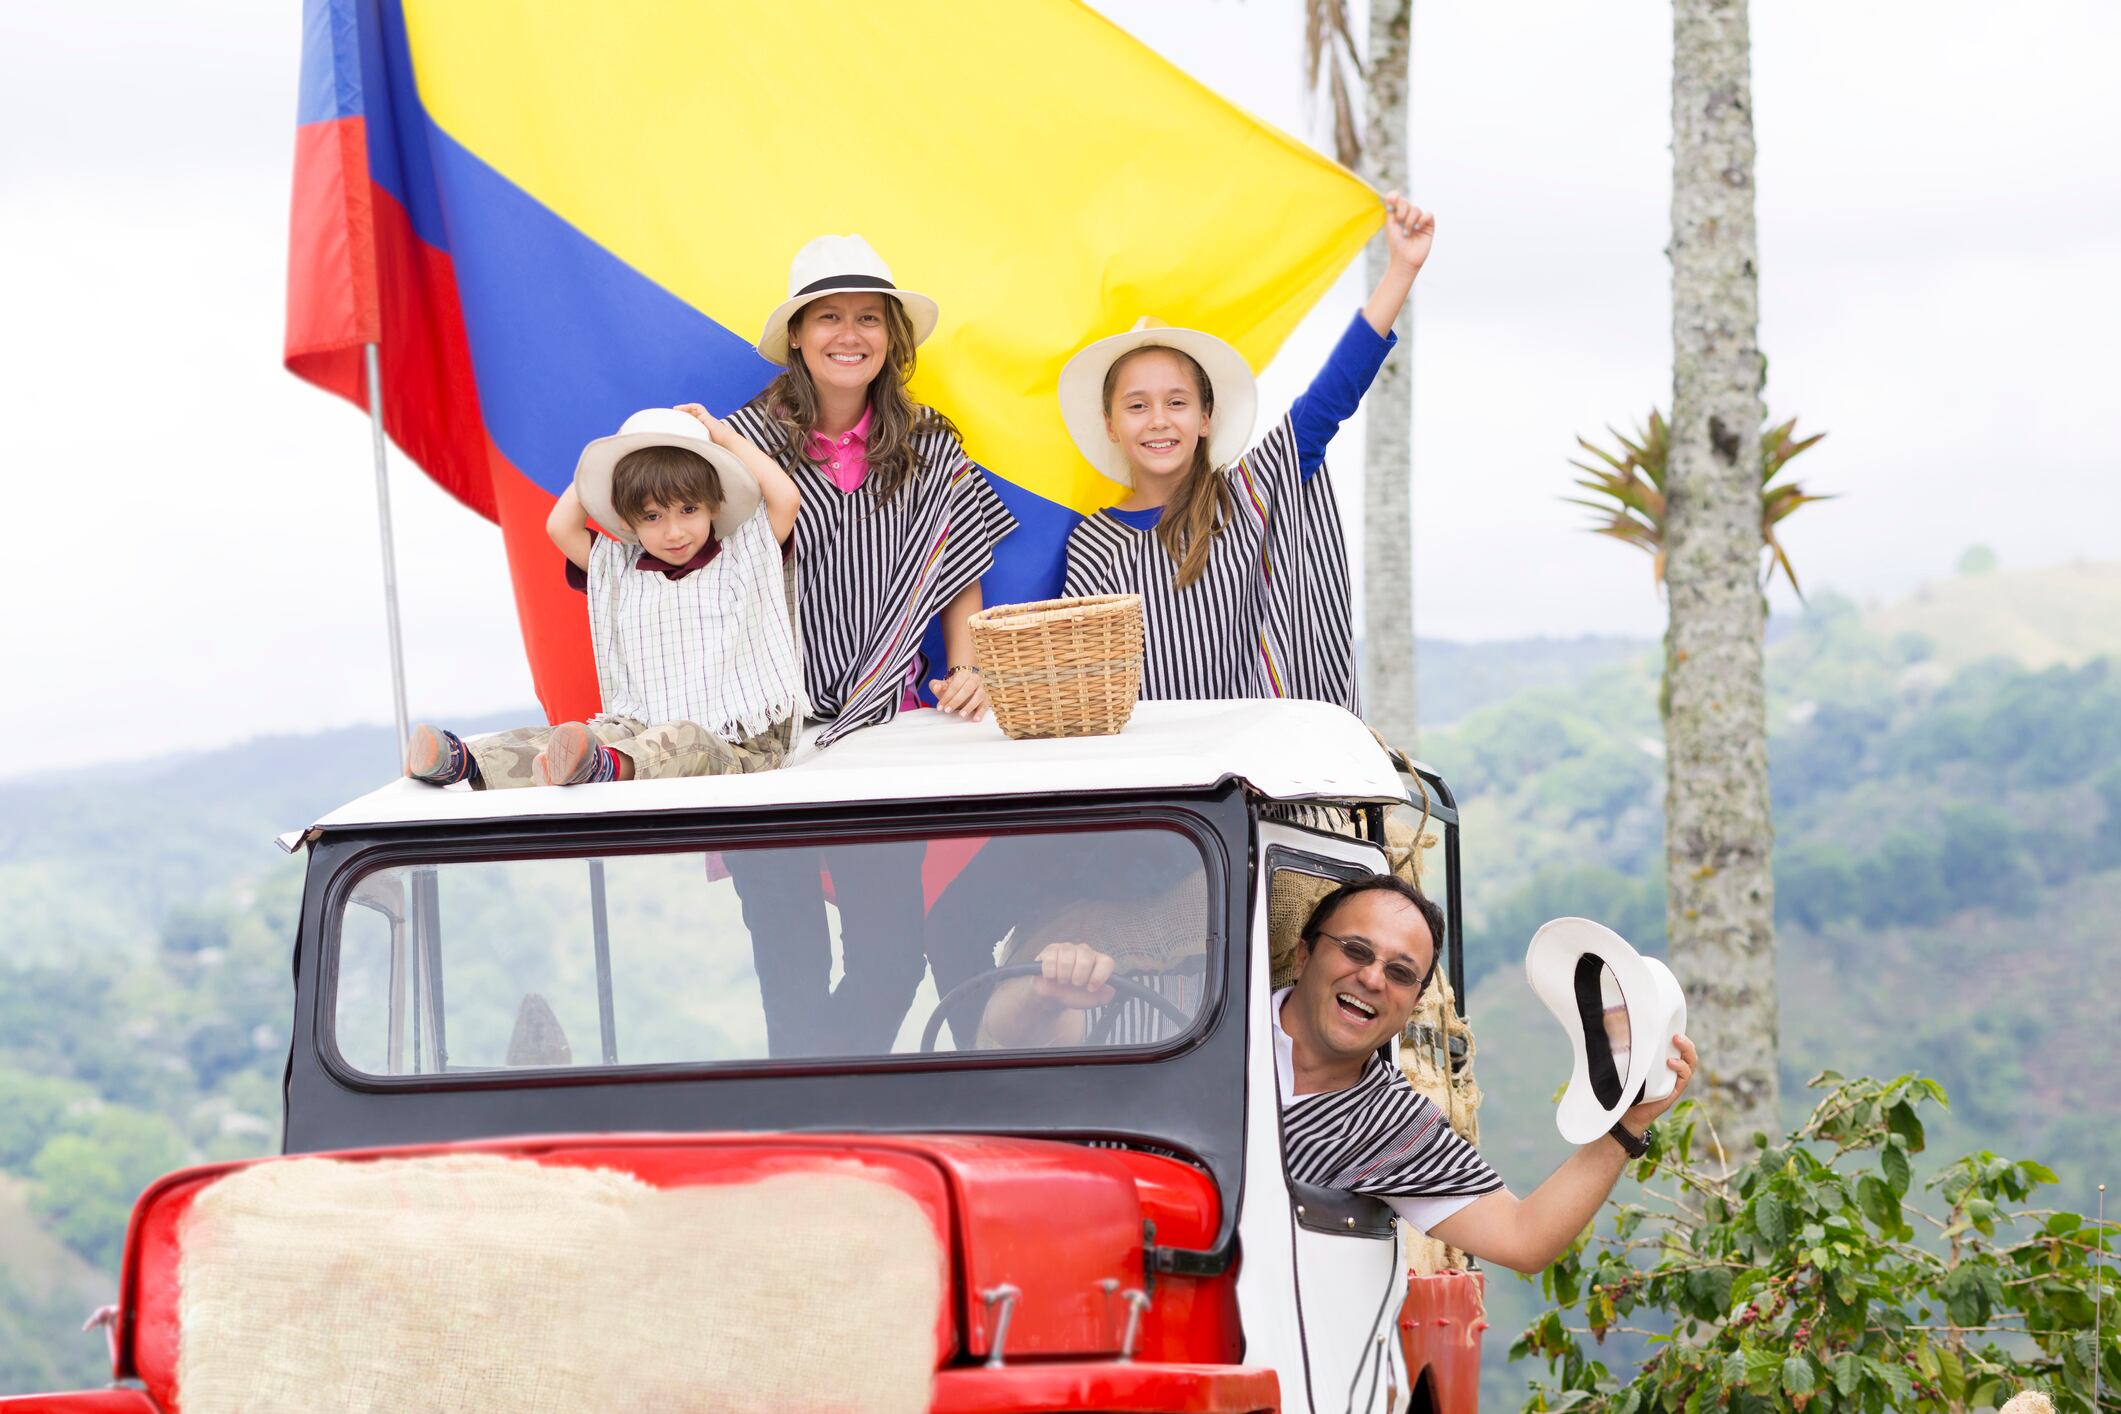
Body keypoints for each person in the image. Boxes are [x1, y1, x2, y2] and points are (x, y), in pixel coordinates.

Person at [985, 873, 1699, 1273]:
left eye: (1399, 972)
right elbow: (1013, 1038)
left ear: (1411, 1003)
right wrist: (1048, 988)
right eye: (1355, 951)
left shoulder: (1391, 1123)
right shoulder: (1186, 1009)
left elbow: (1523, 1238)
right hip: (1052, 1268)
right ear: (1304, 955)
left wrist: (1627, 1129)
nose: (1371, 978)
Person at [707, 234, 1017, 1059]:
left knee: (891, 957)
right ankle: (813, 1119)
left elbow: (957, 564)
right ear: (798, 334)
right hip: (763, 731)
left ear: (892, 336)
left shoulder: (929, 443)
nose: (850, 335)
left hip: (883, 729)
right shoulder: (740, 444)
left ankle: (804, 1103)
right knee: (790, 964)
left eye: (869, 318)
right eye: (829, 317)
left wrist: (969, 666)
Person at [1057, 194, 1436, 711]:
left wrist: (1401, 271)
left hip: (1252, 759)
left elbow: (1327, 401)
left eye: (1177, 402)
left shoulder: (1245, 499)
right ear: (1111, 425)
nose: (1159, 419)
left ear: (1205, 418)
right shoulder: (1091, 544)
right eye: (1137, 406)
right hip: (1152, 762)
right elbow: (1077, 676)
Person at [403, 407, 801, 789]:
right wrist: (611, 460)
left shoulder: (743, 554)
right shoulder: (620, 569)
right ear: (626, 521)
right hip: (639, 729)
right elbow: (560, 526)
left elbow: (786, 497)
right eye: (652, 516)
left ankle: (601, 767)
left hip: (738, 743)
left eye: (688, 509)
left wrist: (722, 436)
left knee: (683, 738)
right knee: (570, 737)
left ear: (714, 506)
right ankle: (463, 761)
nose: (674, 532)